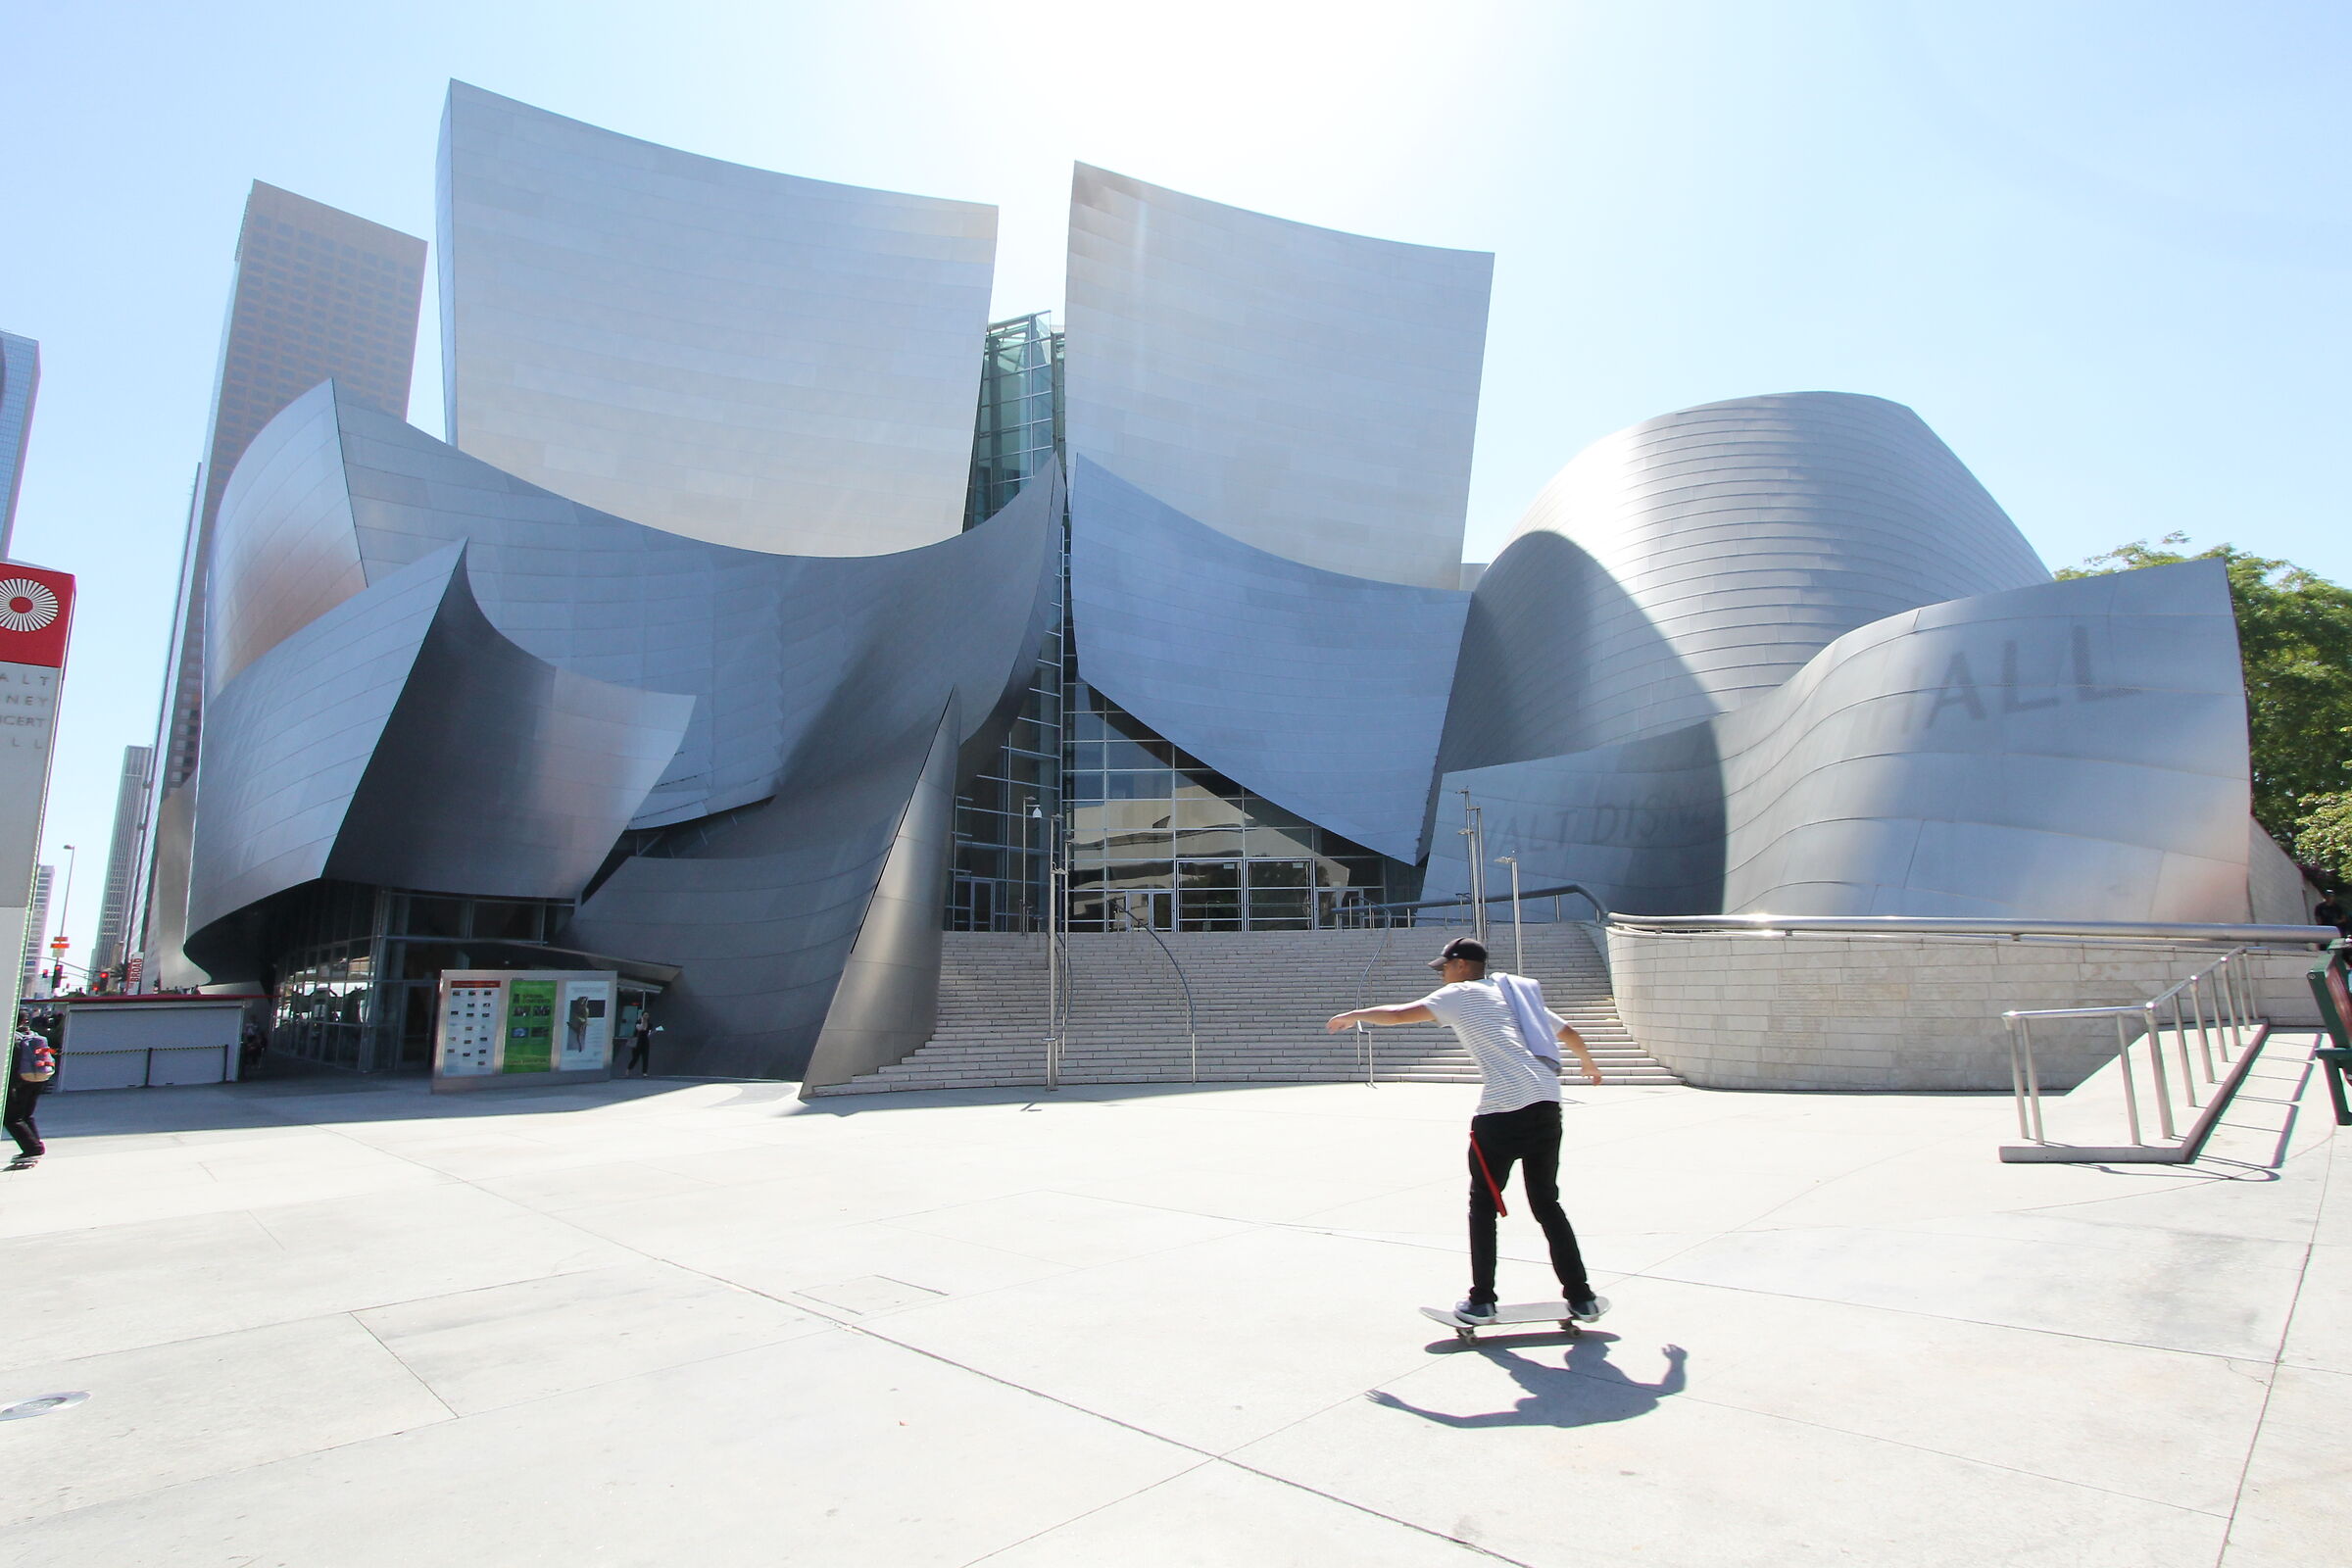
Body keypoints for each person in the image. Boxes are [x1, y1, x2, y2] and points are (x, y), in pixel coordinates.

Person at [1327, 936, 1607, 1328]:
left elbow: (1398, 1014)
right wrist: (1588, 1065)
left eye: (1444, 966)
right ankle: (1582, 1297)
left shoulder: (1458, 994)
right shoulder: (1518, 999)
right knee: (1546, 1203)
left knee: (1483, 1205)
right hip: (1546, 1103)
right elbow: (1570, 1032)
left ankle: (1482, 1301)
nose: (1441, 973)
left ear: (1461, 966)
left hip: (1502, 1111)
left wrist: (1356, 1014)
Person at [7, 1019, 57, 1166]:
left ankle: (31, 1149)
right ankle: (36, 1146)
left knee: (11, 1118)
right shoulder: (33, 1035)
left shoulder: (13, 1038)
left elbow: (12, 1064)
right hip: (39, 1078)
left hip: (22, 1080)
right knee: (26, 1115)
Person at [625, 1011, 653, 1077]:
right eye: (645, 1015)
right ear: (642, 1016)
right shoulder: (638, 1022)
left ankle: (644, 1073)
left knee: (645, 1057)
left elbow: (649, 1032)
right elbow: (640, 1028)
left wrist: (651, 1032)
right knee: (635, 1058)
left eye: (647, 1015)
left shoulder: (650, 1024)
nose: (646, 1017)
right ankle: (628, 1070)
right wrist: (643, 1022)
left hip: (645, 1041)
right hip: (638, 1041)